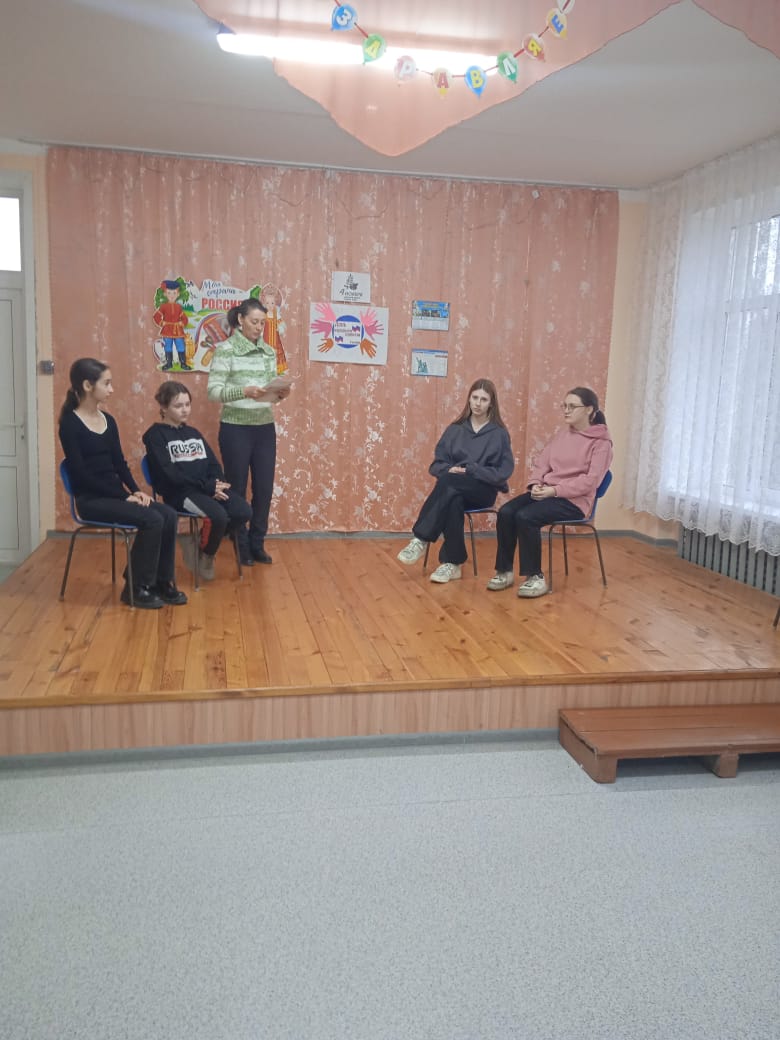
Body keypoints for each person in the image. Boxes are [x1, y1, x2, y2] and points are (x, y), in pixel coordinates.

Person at [58, 358, 187, 610]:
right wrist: (123, 495)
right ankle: (136, 588)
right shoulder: (70, 425)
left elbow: (119, 464)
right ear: (87, 385)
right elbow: (81, 475)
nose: (111, 389)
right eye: (106, 383)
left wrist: (136, 491)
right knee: (153, 519)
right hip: (91, 500)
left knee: (168, 514)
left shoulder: (108, 420)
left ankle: (162, 582)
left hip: (116, 495)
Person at [487, 386, 613, 598]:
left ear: (589, 409)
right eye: (564, 406)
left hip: (575, 502)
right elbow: (542, 463)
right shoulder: (563, 434)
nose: (566, 410)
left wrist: (554, 490)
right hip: (548, 492)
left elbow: (590, 483)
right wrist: (536, 483)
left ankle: (535, 578)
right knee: (507, 512)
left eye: (572, 406)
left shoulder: (602, 443)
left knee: (526, 517)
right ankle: (504, 571)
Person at [397, 378, 514, 583]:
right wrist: (448, 469)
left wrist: (473, 470)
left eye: (484, 399)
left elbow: (503, 472)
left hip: (482, 490)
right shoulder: (455, 429)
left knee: (449, 484)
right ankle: (452, 563)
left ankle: (421, 539)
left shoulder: (499, 434)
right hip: (453, 488)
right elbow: (436, 465)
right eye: (475, 398)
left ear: (491, 404)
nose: (478, 403)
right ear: (469, 399)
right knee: (453, 498)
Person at [206, 298, 290, 565]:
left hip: (264, 427)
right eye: (254, 322)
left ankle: (257, 543)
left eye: (262, 323)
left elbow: (267, 390)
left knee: (264, 488)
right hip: (235, 428)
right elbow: (213, 391)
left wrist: (279, 393)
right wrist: (243, 391)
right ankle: (240, 544)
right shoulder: (226, 350)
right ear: (240, 320)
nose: (258, 327)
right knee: (238, 489)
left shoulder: (268, 351)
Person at [142, 381, 252, 581]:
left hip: (206, 489)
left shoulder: (193, 433)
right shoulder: (154, 436)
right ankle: (207, 555)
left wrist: (217, 484)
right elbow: (170, 474)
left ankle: (199, 543)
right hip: (180, 493)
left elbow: (213, 464)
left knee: (243, 511)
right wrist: (208, 486)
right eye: (178, 406)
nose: (185, 410)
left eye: (187, 404)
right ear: (164, 408)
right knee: (218, 517)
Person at [153, 279, 192, 372]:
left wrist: (182, 323)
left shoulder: (179, 307)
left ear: (178, 294)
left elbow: (185, 318)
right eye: (169, 293)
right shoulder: (163, 306)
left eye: (174, 293)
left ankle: (183, 363)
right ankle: (169, 363)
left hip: (178, 330)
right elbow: (156, 316)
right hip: (167, 330)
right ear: (165, 294)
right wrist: (161, 322)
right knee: (168, 346)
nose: (172, 295)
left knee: (181, 346)